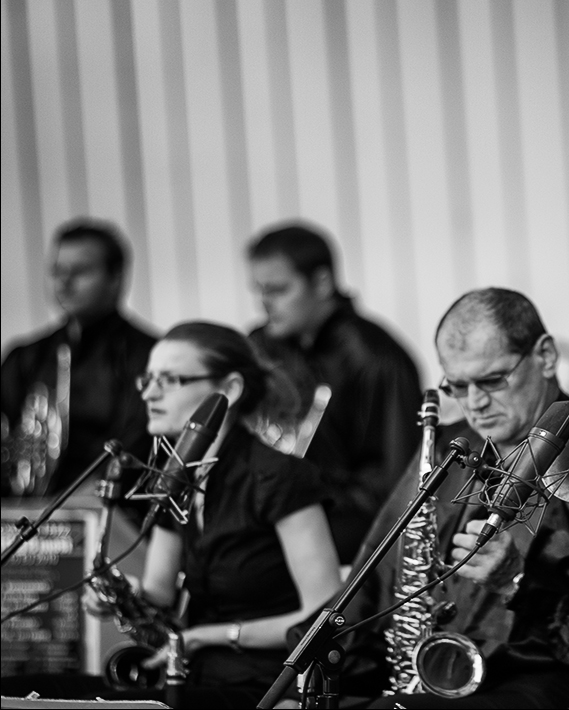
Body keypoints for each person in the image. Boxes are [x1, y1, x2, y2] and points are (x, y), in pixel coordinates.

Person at [295, 288, 569, 709]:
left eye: (491, 380)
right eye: (458, 386)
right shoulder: (452, 449)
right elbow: (373, 575)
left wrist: (518, 583)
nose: (475, 403)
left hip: (543, 679)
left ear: (544, 356)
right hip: (437, 676)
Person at [4, 321, 343, 707]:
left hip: (267, 681)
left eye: (170, 380)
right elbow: (158, 596)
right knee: (26, 690)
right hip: (192, 673)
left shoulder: (279, 477)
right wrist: (121, 597)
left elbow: (324, 617)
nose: (149, 393)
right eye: (147, 379)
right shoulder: (176, 473)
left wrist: (205, 636)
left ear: (228, 389)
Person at [247, 222, 422, 564]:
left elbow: (399, 481)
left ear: (322, 282)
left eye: (278, 290)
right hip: (278, 515)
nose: (265, 304)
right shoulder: (261, 347)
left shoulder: (376, 358)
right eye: (259, 291)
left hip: (350, 535)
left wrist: (308, 504)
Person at [2, 219, 156, 497]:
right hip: (23, 517)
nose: (64, 282)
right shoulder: (24, 357)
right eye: (57, 271)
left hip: (110, 514)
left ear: (116, 277)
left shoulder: (149, 356)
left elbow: (136, 448)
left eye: (81, 271)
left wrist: (71, 505)